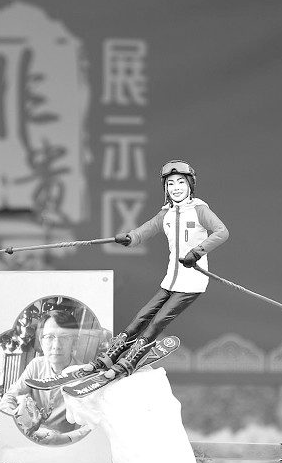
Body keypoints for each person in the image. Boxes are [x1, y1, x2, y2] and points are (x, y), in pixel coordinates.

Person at [84, 159, 229, 378]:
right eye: (170, 184)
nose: (176, 187)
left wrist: (197, 252)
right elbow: (145, 230)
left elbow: (222, 232)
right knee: (142, 316)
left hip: (191, 283)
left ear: (190, 184)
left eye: (181, 182)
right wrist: (130, 237)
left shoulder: (199, 210)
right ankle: (111, 356)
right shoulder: (166, 214)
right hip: (171, 280)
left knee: (158, 321)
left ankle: (130, 360)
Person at [0, 310, 89, 444]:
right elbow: (10, 396)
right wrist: (14, 416)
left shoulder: (84, 376)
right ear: (41, 342)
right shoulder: (36, 365)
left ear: (74, 342)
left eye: (64, 337)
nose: (56, 346)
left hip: (60, 444)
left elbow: (91, 425)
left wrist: (63, 438)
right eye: (49, 337)